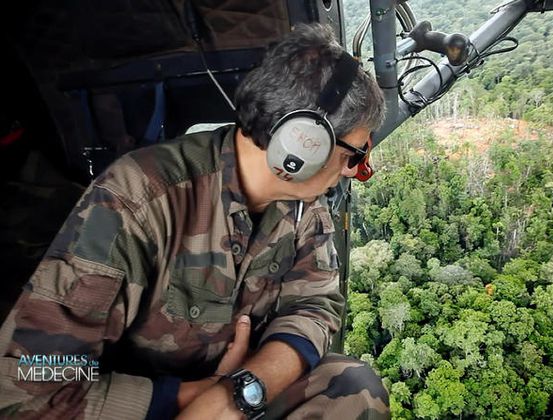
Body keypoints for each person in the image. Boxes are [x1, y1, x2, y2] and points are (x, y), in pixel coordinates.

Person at [0, 23, 388, 419]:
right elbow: (27, 384)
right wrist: (191, 399)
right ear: (303, 142)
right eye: (353, 156)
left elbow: (315, 304)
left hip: (234, 392)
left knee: (351, 385)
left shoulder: (305, 207)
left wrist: (244, 388)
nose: (352, 171)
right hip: (131, 404)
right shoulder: (138, 197)